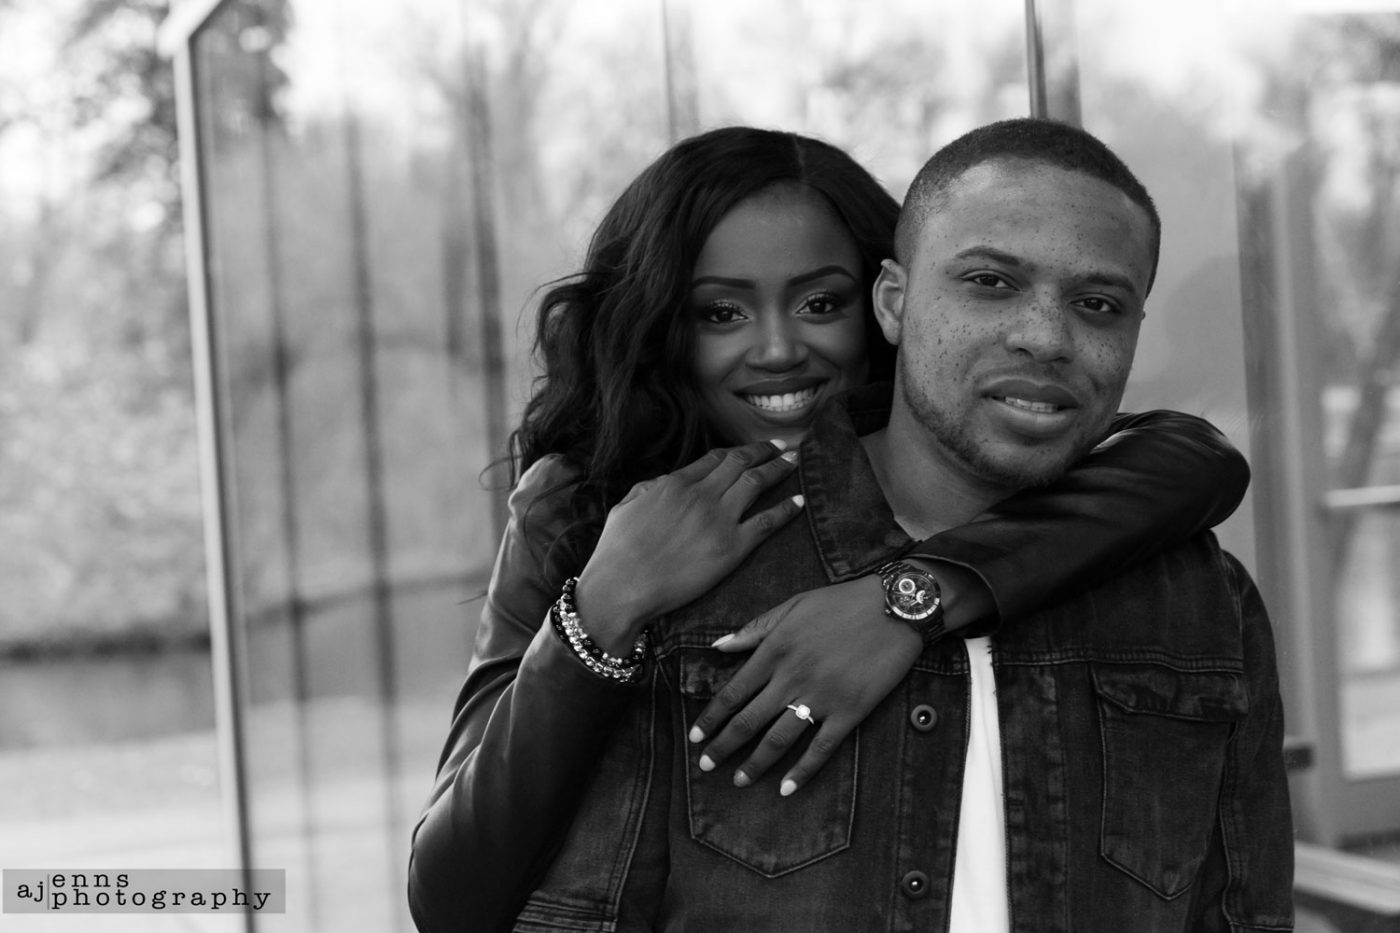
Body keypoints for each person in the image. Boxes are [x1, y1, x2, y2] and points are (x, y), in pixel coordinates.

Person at [407, 125, 1266, 932]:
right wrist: (602, 606)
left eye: (821, 302)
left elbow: (1197, 460)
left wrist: (907, 598)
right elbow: (464, 886)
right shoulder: (588, 507)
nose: (780, 350)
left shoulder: (1150, 553)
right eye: (721, 312)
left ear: (879, 303)